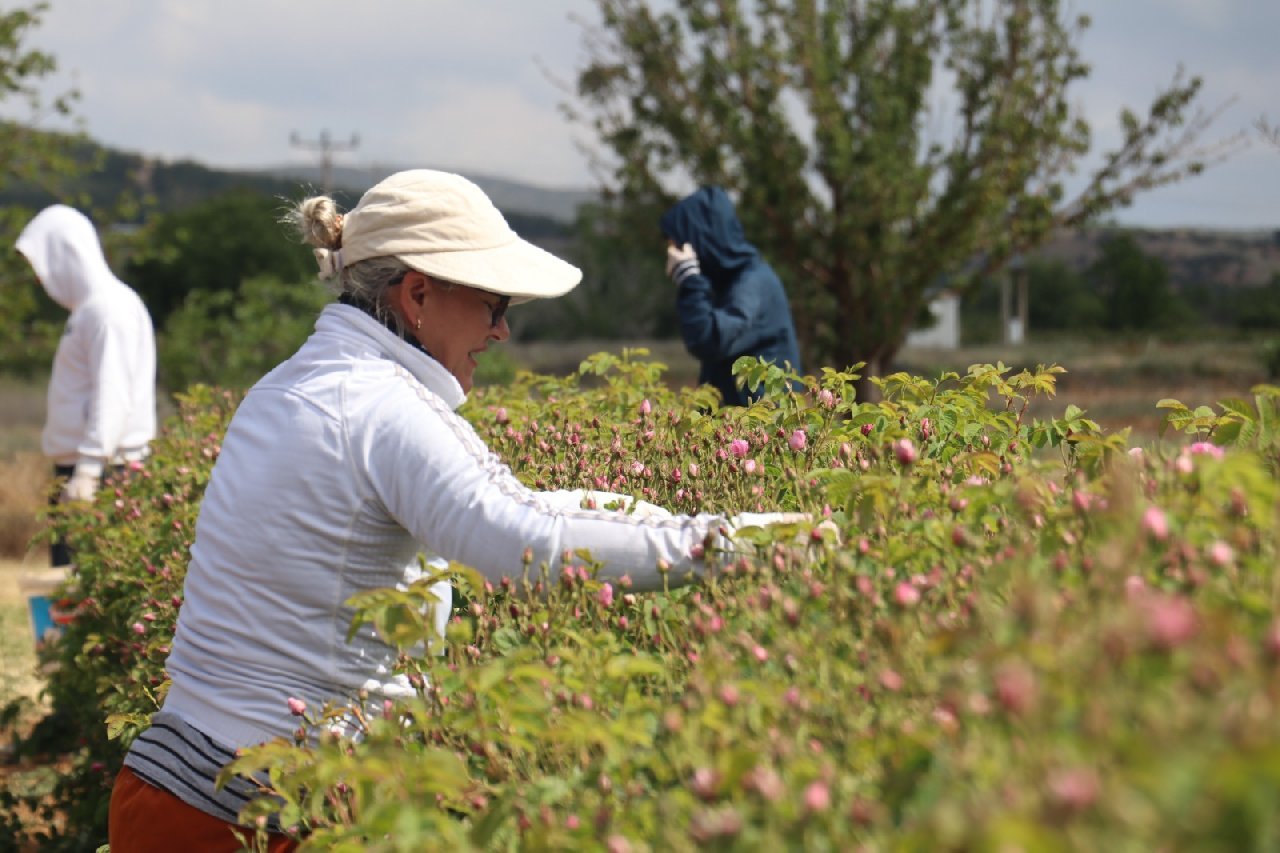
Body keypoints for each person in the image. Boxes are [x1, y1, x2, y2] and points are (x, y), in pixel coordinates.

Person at [108, 170, 805, 851]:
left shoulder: (295, 383)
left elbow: (524, 508)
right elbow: (527, 539)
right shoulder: (381, 406)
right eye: (494, 304)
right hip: (264, 817)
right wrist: (736, 544)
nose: (500, 331)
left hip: (169, 788)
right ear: (417, 294)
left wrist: (675, 521)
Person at [16, 205, 157, 567]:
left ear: (65, 256)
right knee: (73, 599)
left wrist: (89, 471)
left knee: (84, 600)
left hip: (101, 473)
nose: (39, 280)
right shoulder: (94, 310)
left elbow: (113, 394)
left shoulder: (107, 311)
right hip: (88, 469)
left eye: (41, 266)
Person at [660, 186, 804, 406]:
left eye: (678, 245)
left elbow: (708, 339)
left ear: (700, 239)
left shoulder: (751, 284)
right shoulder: (730, 284)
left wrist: (690, 281)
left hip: (764, 430)